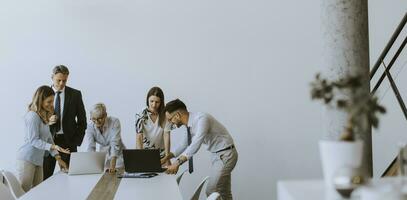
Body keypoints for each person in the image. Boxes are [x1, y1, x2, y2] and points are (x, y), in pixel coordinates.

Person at [161, 99, 238, 200]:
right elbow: (183, 145)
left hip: (226, 155)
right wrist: (165, 158)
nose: (171, 123)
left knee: (212, 190)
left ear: (178, 115)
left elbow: (195, 145)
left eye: (170, 119)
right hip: (218, 155)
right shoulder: (189, 126)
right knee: (224, 191)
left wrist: (177, 163)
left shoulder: (202, 119)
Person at [16, 86, 70, 192]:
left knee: (38, 192)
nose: (51, 104)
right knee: (23, 193)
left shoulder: (43, 116)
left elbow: (49, 139)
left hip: (38, 160)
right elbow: (33, 140)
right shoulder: (33, 116)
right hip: (27, 159)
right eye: (49, 101)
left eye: (52, 101)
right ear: (40, 100)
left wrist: (58, 158)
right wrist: (54, 146)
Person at [43, 65, 87, 180]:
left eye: (65, 80)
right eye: (59, 80)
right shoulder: (43, 94)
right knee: (45, 177)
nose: (62, 83)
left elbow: (82, 121)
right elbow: (35, 118)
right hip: (48, 141)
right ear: (52, 77)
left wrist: (76, 141)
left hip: (69, 142)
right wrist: (47, 121)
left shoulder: (75, 94)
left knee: (71, 177)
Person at [83, 103, 125, 173]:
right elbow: (91, 146)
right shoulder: (90, 127)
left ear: (105, 115)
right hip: (103, 156)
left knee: (116, 178)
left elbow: (115, 143)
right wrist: (90, 166)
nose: (96, 122)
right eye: (93, 119)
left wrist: (112, 165)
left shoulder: (114, 122)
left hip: (118, 157)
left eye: (99, 118)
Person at [135, 87, 172, 165]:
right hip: (144, 154)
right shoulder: (140, 114)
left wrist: (167, 157)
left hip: (162, 155)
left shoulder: (166, 115)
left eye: (157, 102)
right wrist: (139, 157)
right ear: (147, 100)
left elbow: (166, 136)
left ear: (161, 102)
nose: (154, 105)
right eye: (151, 101)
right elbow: (139, 136)